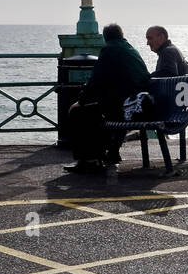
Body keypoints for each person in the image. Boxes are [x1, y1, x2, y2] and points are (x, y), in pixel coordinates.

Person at [64, 23, 150, 173]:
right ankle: (109, 153)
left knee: (79, 112)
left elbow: (96, 79)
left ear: (105, 38)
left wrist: (81, 101)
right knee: (100, 110)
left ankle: (89, 161)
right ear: (122, 35)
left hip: (127, 108)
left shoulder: (109, 50)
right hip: (141, 104)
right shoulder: (130, 49)